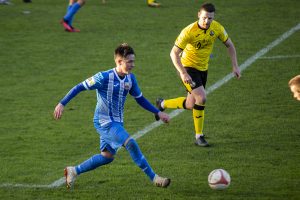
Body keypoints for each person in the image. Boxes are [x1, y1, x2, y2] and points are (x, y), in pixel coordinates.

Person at [53, 43, 171, 189]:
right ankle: (155, 178)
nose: (133, 65)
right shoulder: (103, 77)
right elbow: (80, 87)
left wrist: (158, 112)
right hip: (104, 122)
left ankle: (73, 171)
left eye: (134, 61)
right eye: (130, 62)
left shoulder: (130, 79)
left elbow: (140, 99)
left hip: (117, 122)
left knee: (107, 157)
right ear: (119, 61)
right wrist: (62, 103)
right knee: (131, 143)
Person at [154, 3, 241, 147]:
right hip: (187, 68)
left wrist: (235, 66)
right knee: (202, 97)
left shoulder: (217, 28)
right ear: (199, 15)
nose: (207, 21)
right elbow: (173, 53)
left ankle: (162, 103)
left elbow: (230, 45)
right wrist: (183, 72)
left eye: (210, 18)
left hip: (203, 69)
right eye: (205, 18)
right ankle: (199, 136)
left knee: (190, 104)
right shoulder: (189, 31)